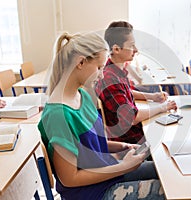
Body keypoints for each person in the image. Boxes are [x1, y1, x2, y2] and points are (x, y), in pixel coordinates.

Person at [37, 32, 165, 200]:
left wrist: (121, 146)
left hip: (107, 175)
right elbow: (69, 179)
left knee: (162, 170)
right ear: (81, 62)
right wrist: (123, 167)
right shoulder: (58, 115)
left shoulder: (81, 95)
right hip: (92, 193)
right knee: (169, 190)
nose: (102, 75)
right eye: (99, 68)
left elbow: (88, 143)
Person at [95, 21, 177, 144]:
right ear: (116, 49)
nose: (136, 50)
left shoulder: (115, 71)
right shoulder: (109, 78)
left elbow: (125, 92)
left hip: (136, 134)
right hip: (131, 142)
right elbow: (132, 118)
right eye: (132, 45)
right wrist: (163, 107)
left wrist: (152, 97)